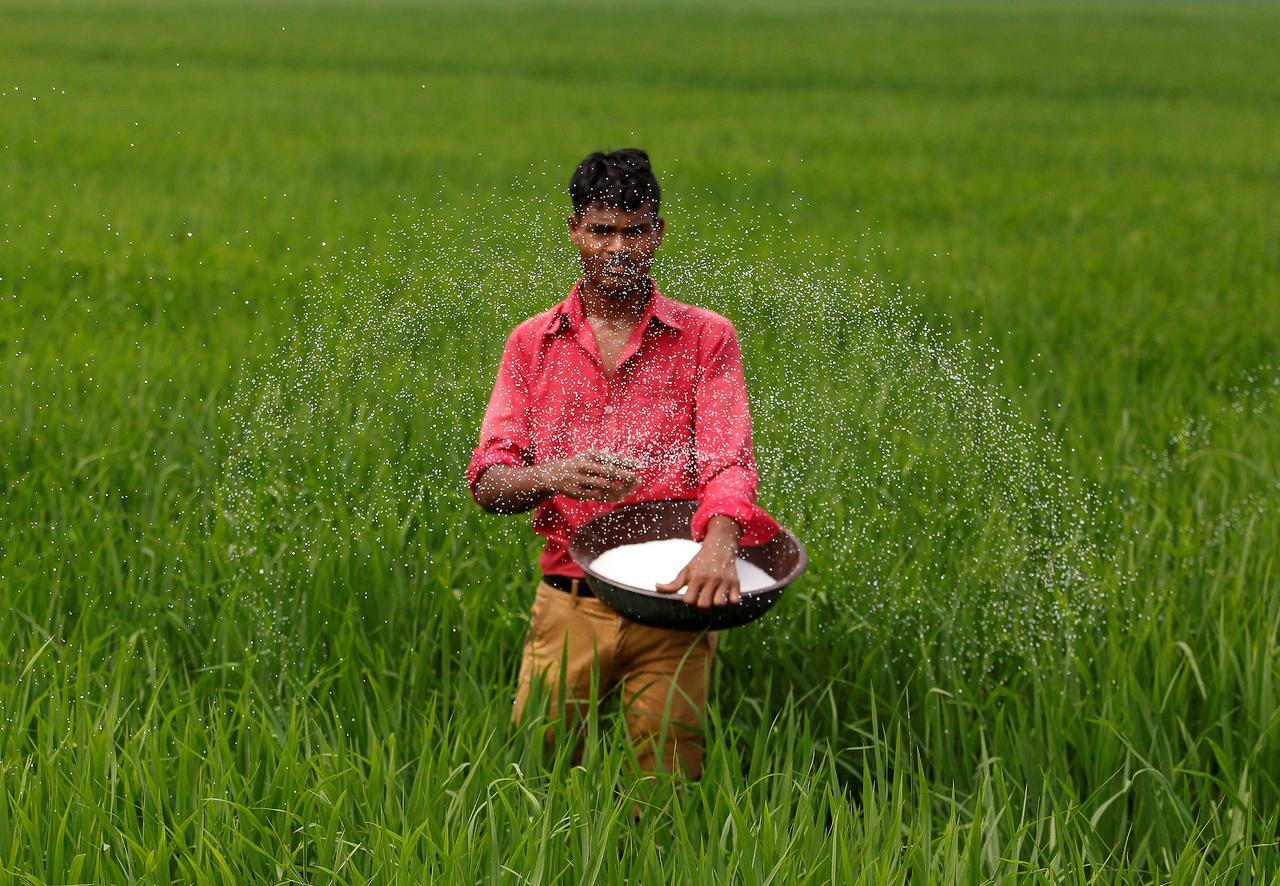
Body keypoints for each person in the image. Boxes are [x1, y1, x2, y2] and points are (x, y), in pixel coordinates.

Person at [467, 148, 779, 783]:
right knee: (538, 780)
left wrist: (721, 543)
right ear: (575, 230)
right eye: (601, 229)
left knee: (670, 785)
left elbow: (729, 460)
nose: (617, 247)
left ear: (657, 233)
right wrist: (551, 475)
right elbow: (489, 480)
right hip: (569, 600)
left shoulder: (705, 337)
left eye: (634, 230)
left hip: (673, 604)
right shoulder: (533, 343)